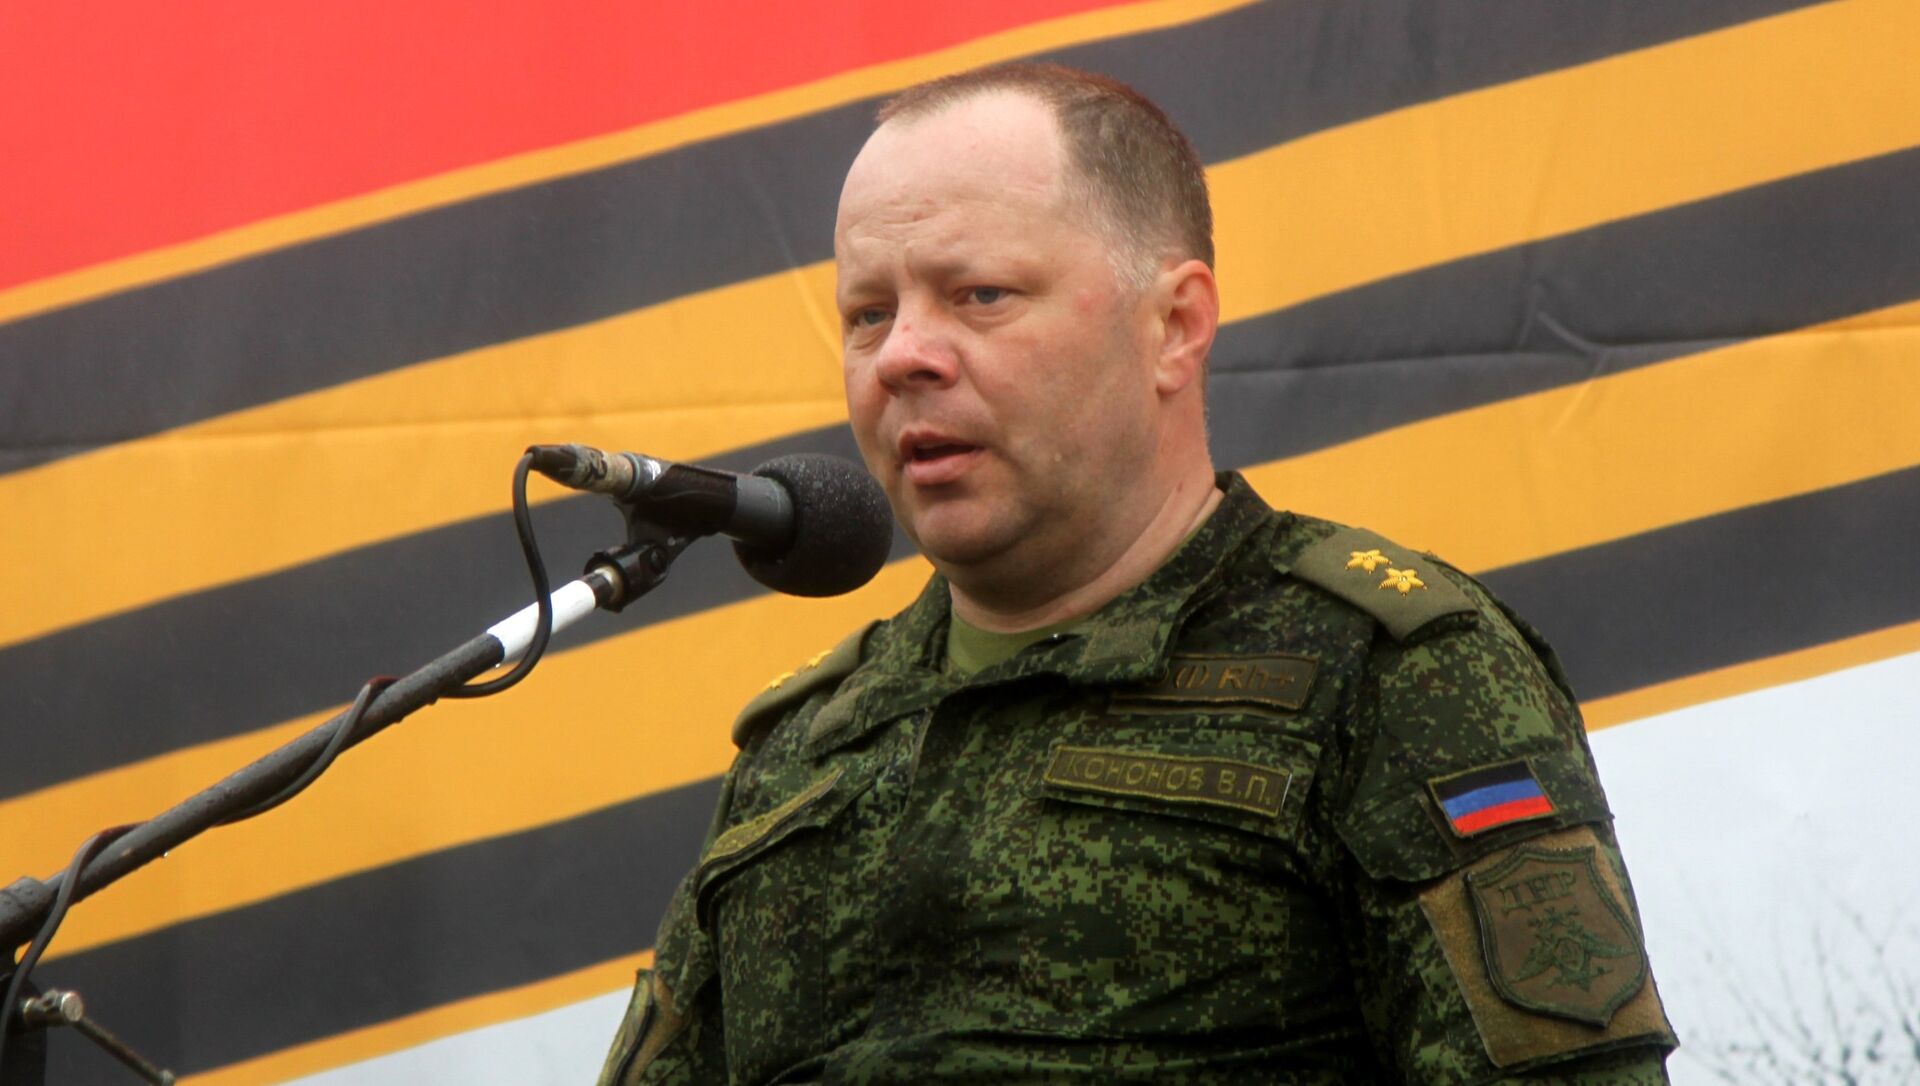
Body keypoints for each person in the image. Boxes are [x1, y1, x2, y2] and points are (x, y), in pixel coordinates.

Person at [598, 63, 1677, 1085]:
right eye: (868, 313)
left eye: (979, 294)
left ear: (1174, 325)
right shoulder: (801, 751)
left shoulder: (1386, 673)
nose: (902, 356)